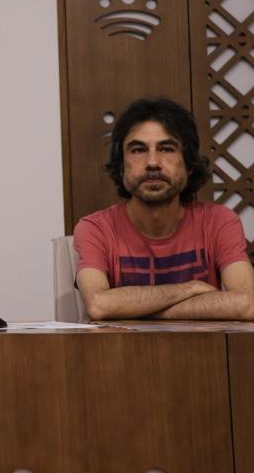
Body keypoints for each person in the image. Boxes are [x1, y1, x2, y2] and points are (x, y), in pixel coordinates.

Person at [74, 97, 254, 321]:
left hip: (207, 354)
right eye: (138, 150)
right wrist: (191, 288)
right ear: (121, 166)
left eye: (167, 149)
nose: (152, 162)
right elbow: (99, 305)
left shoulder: (219, 221)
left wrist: (137, 309)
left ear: (188, 165)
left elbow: (247, 304)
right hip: (119, 355)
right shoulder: (96, 228)